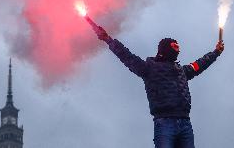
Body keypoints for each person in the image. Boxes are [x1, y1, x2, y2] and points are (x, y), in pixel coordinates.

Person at [94, 26, 224, 148]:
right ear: (166, 49)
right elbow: (126, 56)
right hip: (165, 123)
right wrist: (108, 39)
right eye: (175, 47)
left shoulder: (182, 71)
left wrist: (216, 52)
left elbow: (199, 64)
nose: (178, 50)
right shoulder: (149, 68)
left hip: (185, 122)